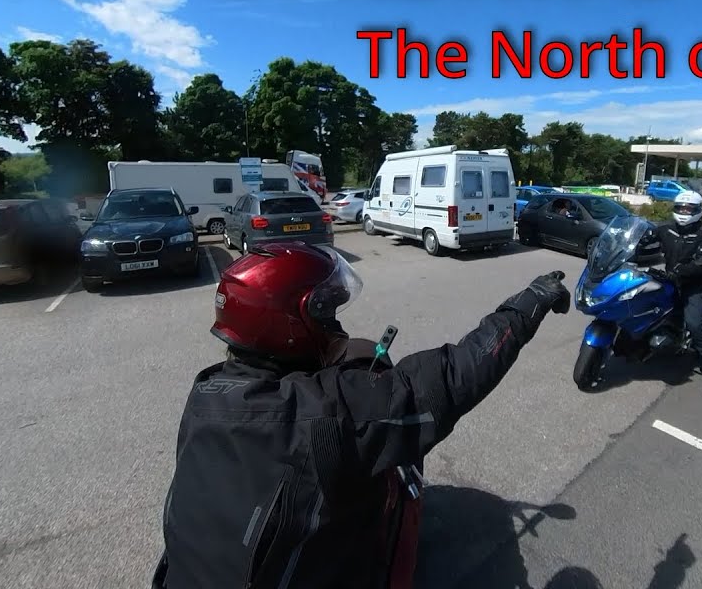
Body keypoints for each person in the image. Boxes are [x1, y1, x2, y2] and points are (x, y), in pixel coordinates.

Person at [150, 241, 570, 589]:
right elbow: (449, 379)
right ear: (288, 324)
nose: (334, 324)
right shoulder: (322, 414)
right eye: (325, 313)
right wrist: (526, 305)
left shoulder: (204, 391)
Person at [645, 190, 702, 394]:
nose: (684, 212)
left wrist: (681, 271)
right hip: (669, 279)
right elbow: (646, 239)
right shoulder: (665, 227)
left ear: (699, 210)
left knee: (694, 324)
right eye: (681, 208)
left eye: (689, 209)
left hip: (694, 284)